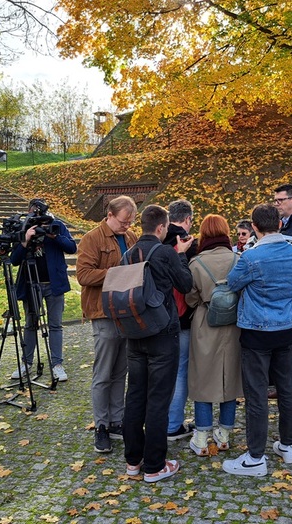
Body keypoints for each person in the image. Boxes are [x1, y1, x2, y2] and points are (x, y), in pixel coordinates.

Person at [222, 204, 292, 476]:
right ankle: (288, 444)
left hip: (256, 331)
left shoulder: (251, 257)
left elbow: (232, 284)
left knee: (256, 394)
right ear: (280, 224)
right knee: (287, 389)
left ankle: (256, 457)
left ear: (254, 227)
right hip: (285, 328)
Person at [123, 204, 193, 483]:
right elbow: (186, 284)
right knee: (158, 400)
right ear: (162, 227)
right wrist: (182, 256)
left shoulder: (127, 254)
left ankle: (133, 462)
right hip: (162, 334)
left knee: (135, 395)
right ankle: (154, 465)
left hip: (134, 332)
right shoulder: (166, 252)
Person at [76, 196, 138, 453]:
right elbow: (83, 275)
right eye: (124, 221)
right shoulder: (92, 238)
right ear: (110, 215)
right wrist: (116, 273)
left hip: (127, 312)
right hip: (103, 312)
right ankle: (101, 426)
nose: (127, 226)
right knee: (103, 374)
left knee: (120, 371)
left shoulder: (132, 237)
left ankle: (117, 421)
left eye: (131, 222)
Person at [186, 214, 242, 456]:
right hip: (234, 324)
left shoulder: (196, 262)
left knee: (203, 378)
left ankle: (201, 436)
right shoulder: (239, 259)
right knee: (230, 377)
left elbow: (191, 298)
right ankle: (224, 434)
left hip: (205, 322)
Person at [10, 199, 77, 383]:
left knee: (55, 325)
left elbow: (72, 248)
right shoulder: (24, 228)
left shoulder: (56, 225)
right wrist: (25, 240)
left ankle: (57, 365)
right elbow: (14, 259)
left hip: (53, 283)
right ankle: (26, 363)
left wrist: (55, 237)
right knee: (30, 324)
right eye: (33, 213)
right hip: (31, 283)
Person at [163, 199, 199, 441]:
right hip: (182, 316)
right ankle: (173, 424)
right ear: (188, 219)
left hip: (157, 315)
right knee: (180, 370)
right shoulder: (188, 243)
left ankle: (160, 419)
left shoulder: (157, 238)